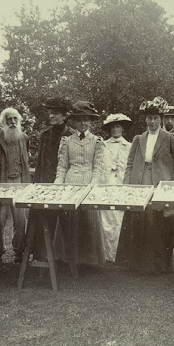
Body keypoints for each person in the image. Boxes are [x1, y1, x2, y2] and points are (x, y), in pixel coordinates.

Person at [116, 97, 174, 274]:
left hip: (161, 183)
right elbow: (130, 163)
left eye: (155, 118)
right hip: (140, 182)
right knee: (140, 221)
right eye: (149, 118)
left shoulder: (170, 138)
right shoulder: (139, 139)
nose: (152, 121)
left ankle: (159, 264)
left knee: (159, 222)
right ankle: (140, 264)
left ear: (161, 119)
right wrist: (127, 184)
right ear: (145, 119)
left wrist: (173, 184)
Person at [54, 100, 106, 268]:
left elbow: (98, 167)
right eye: (80, 119)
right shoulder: (67, 141)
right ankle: (68, 259)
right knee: (69, 221)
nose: (83, 122)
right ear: (74, 121)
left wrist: (93, 185)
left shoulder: (97, 142)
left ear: (90, 121)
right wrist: (58, 184)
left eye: (87, 119)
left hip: (89, 184)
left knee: (89, 221)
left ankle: (89, 261)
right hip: (71, 184)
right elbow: (62, 166)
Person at [25, 97, 75, 261]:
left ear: (63, 116)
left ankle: (65, 257)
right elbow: (40, 163)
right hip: (45, 182)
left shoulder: (71, 135)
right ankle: (41, 254)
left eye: (55, 113)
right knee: (42, 219)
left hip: (64, 183)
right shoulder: (45, 134)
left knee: (65, 221)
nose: (51, 116)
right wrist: (36, 185)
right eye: (50, 113)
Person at [0, 107, 31, 264]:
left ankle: (19, 253)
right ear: (3, 122)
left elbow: (26, 161)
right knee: (0, 220)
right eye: (9, 119)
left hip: (20, 182)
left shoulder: (25, 138)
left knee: (21, 220)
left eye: (15, 119)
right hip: (3, 182)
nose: (13, 122)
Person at [99, 113, 133, 262]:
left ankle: (120, 254)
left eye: (118, 126)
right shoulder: (103, 145)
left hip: (121, 184)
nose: (115, 130)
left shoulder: (129, 146)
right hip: (106, 184)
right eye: (112, 127)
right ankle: (107, 254)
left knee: (120, 218)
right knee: (106, 218)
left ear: (123, 129)